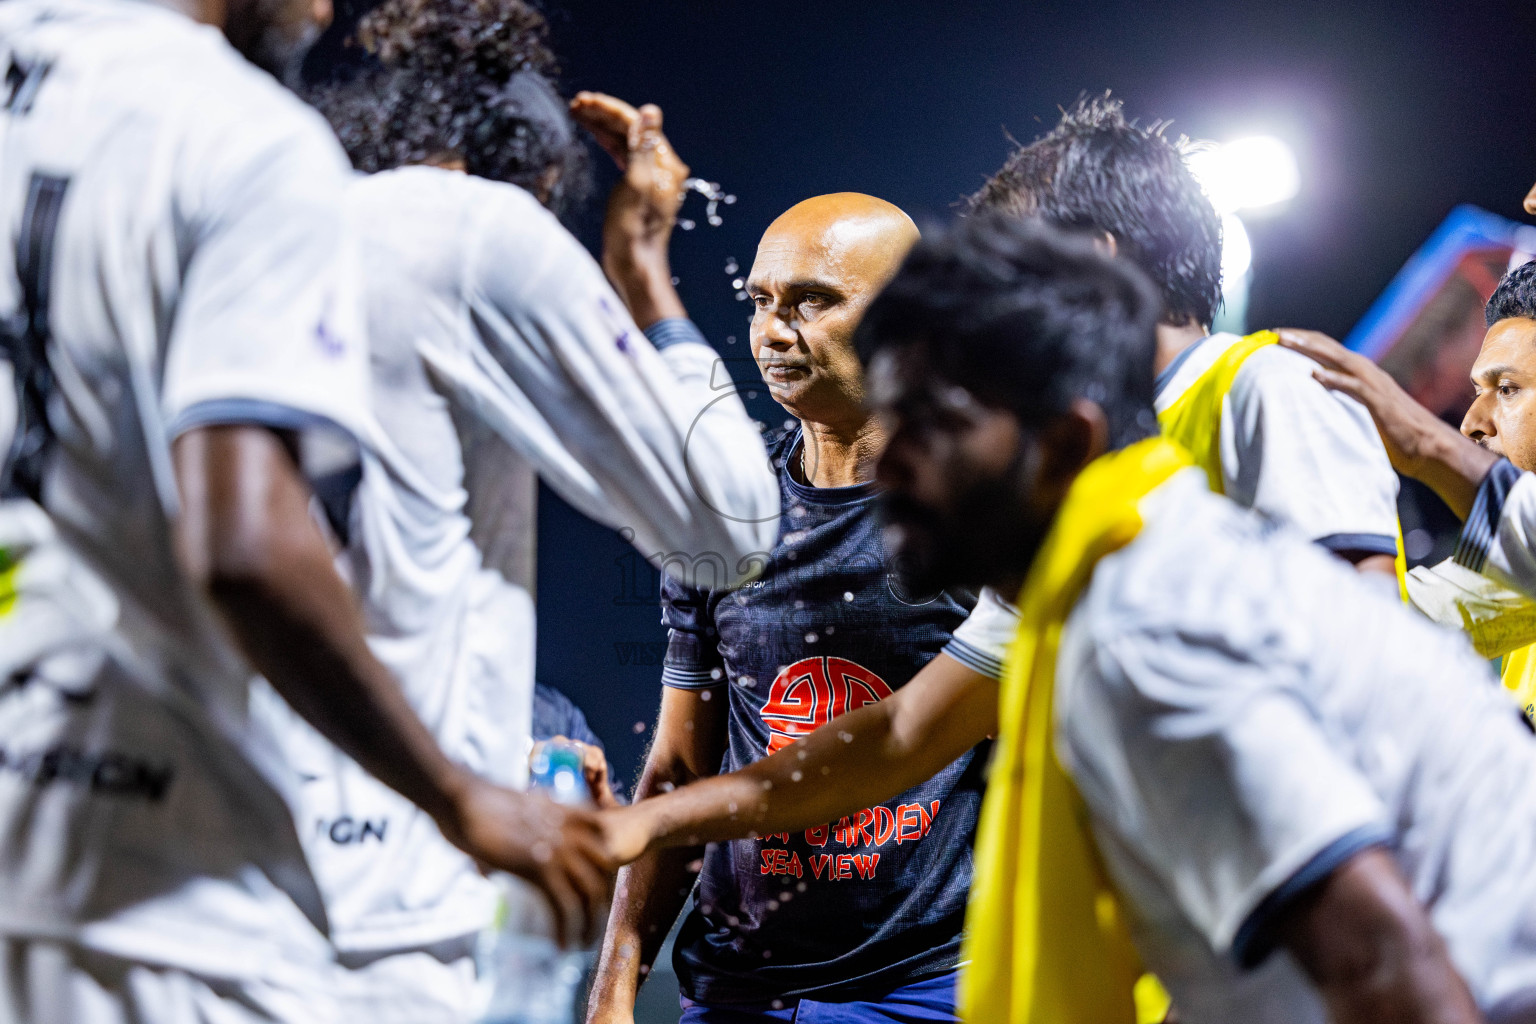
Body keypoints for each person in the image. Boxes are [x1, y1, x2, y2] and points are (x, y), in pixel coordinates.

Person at [595, 214, 1536, 1024]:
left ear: (1063, 445)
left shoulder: (1147, 625)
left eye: (934, 423)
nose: (897, 457)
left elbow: (1386, 965)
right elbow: (895, 736)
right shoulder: (1099, 576)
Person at [0, 0, 617, 1019]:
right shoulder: (237, 133)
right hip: (152, 875)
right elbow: (247, 548)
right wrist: (459, 795)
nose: (325, 9)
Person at [282, 1, 779, 1017]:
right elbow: (731, 529)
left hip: (200, 856)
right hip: (389, 892)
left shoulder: (272, 219)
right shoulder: (472, 228)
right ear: (538, 172)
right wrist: (643, 274)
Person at [586, 194, 1020, 1024]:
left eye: (813, 301)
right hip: (737, 992)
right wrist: (614, 984)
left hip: (929, 987)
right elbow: (681, 760)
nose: (773, 333)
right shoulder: (723, 511)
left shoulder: (975, 515)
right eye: (760, 303)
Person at [969, 95, 1402, 581]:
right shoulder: (1090, 441)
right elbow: (990, 649)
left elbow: (1361, 622)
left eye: (1016, 272)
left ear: (1093, 259)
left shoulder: (1271, 384)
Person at [1273, 264, 1536, 715]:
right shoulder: (1516, 576)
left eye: (1507, 389)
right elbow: (1384, 622)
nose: (1470, 423)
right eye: (1478, 391)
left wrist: (1426, 443)